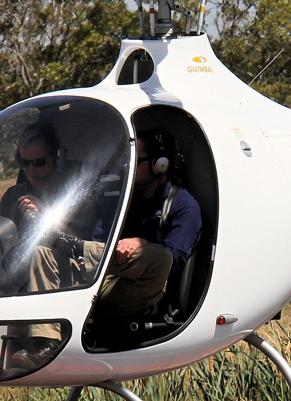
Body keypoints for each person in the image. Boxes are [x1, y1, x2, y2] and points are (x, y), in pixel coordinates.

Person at [29, 129, 202, 318]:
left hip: (140, 290)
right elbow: (99, 239)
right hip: (102, 281)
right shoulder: (121, 198)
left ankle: (77, 248)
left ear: (159, 164)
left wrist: (143, 244)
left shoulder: (184, 206)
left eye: (136, 160)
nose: (128, 166)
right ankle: (44, 340)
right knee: (42, 254)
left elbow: (175, 260)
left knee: (161, 257)